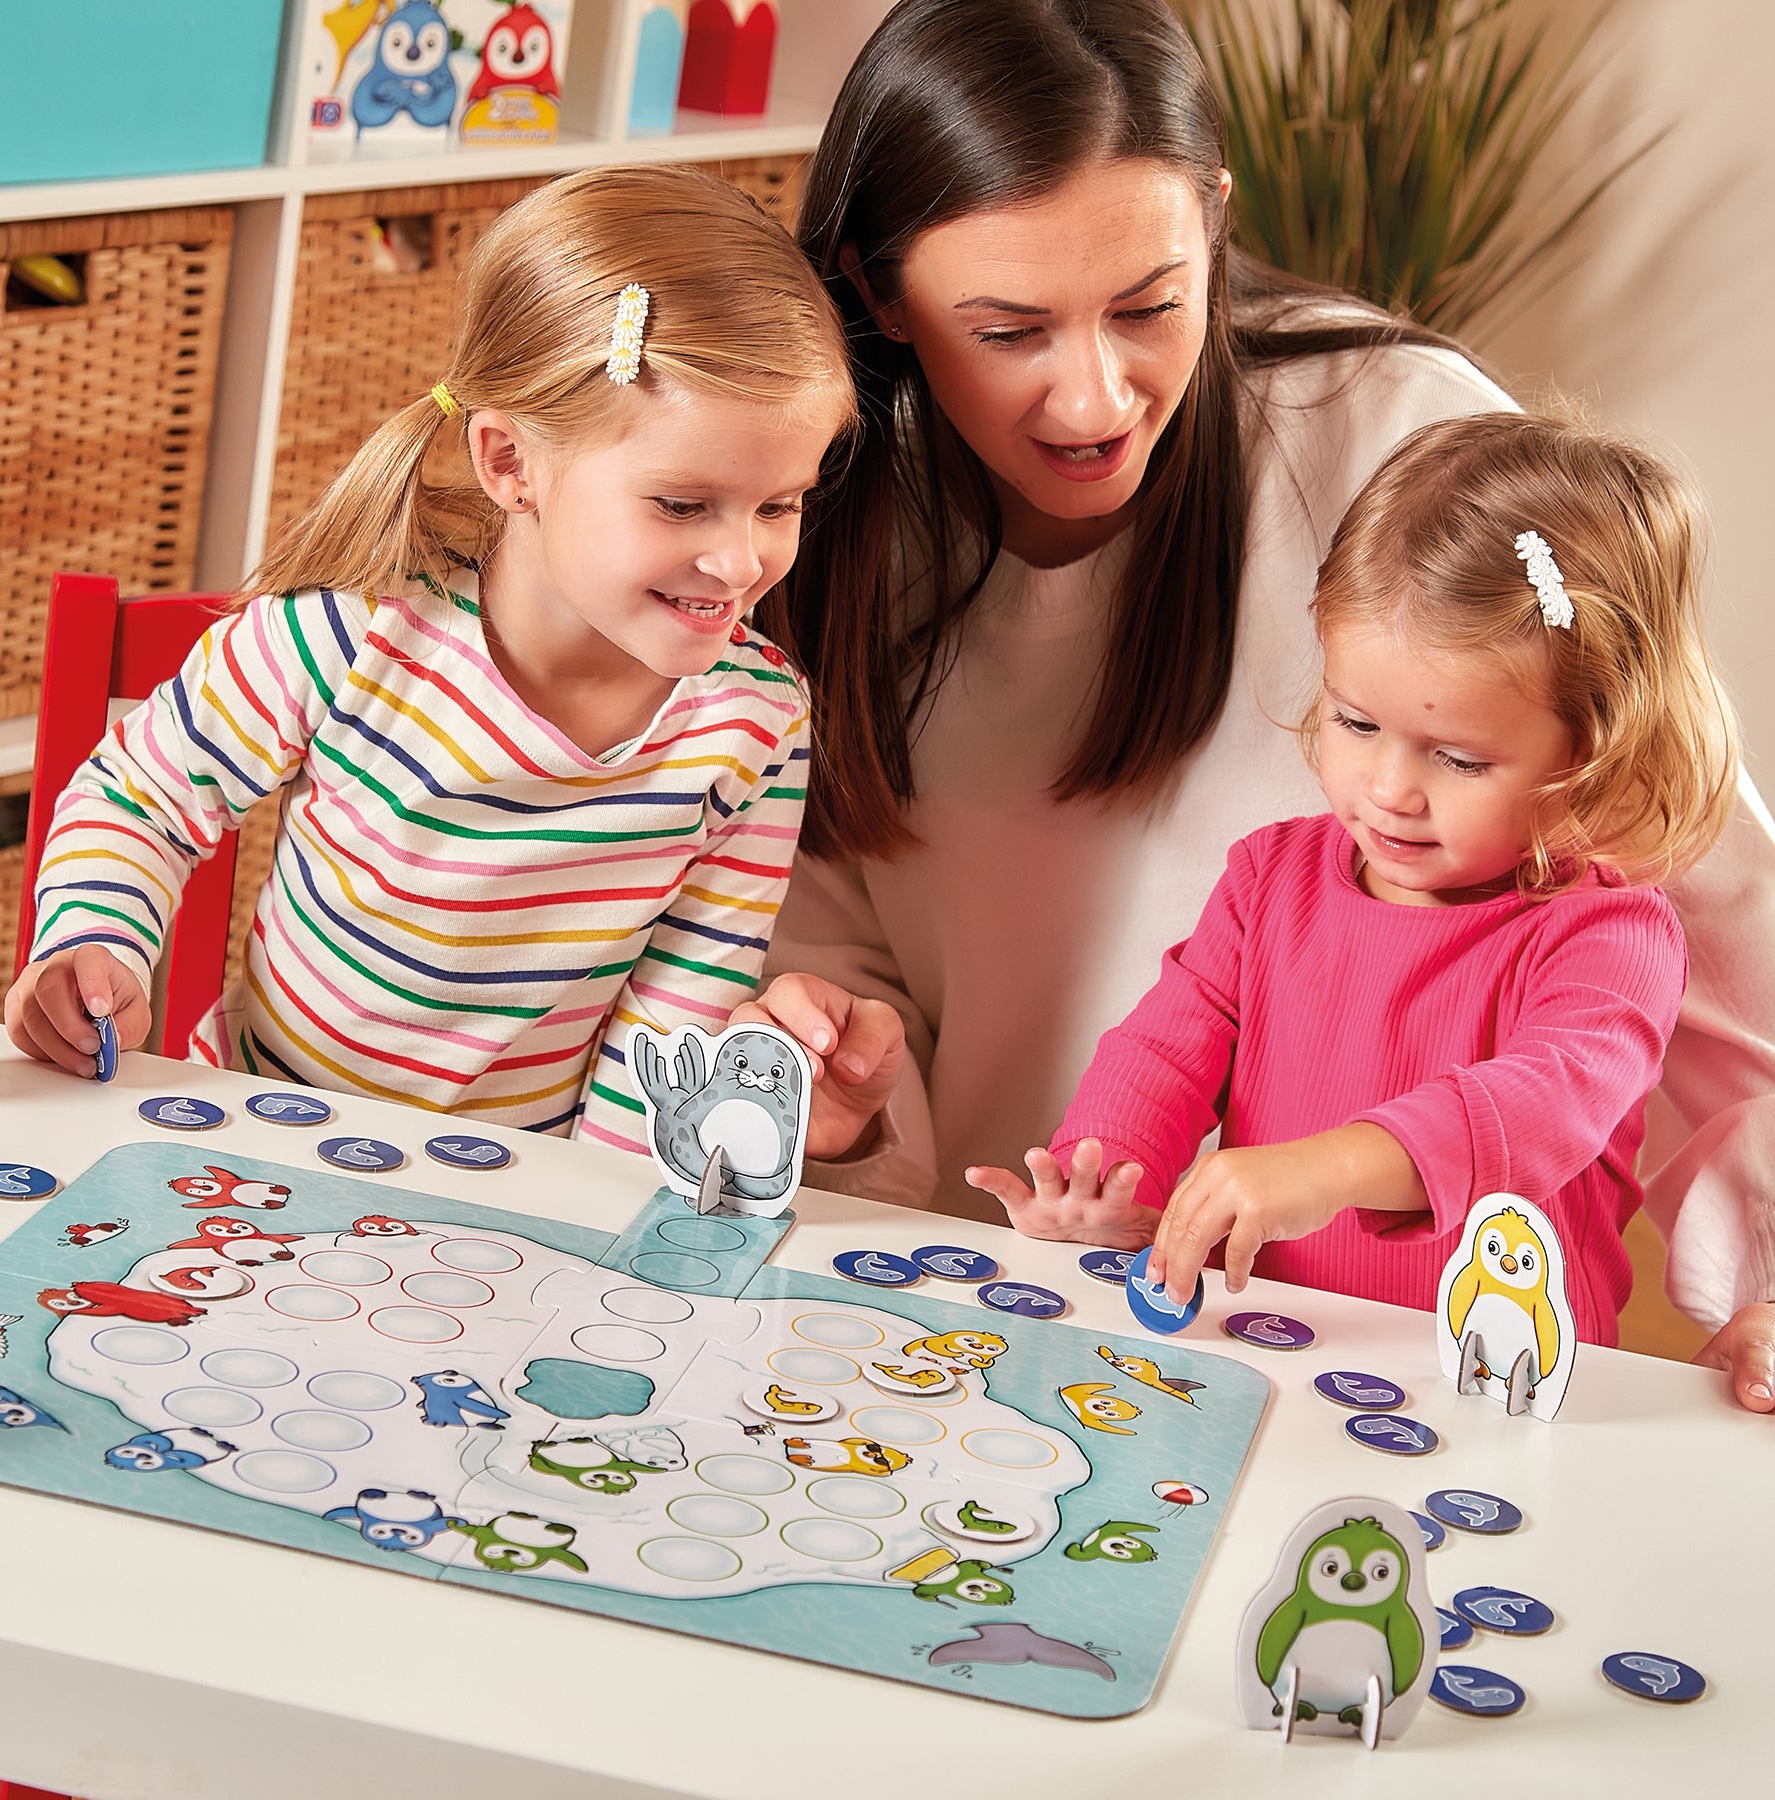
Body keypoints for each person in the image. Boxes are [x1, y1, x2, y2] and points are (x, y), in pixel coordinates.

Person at [735, 0, 1775, 1409]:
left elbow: (1724, 944)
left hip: (1409, 1355)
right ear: (875, 292)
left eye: (1150, 306)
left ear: (1215, 224)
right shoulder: (801, 517)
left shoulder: (1409, 447)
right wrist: (850, 1095)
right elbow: (881, 980)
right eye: (1009, 331)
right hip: (1043, 1305)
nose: (1094, 400)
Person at [7, 165, 856, 1146]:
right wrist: (93, 944)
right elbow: (140, 798)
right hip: (253, 1138)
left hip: (514, 1187)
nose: (741, 561)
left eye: (779, 505)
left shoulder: (759, 719)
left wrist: (594, 1210)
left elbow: (679, 1008)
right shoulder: (350, 633)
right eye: (681, 504)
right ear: (510, 463)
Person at [968, 412, 1736, 1348]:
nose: (1388, 790)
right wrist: (1105, 1179)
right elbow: (1162, 1055)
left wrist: (1327, 1170)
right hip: (1265, 1349)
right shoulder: (1268, 879)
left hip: (1486, 1385)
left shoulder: (1611, 936)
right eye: (1356, 723)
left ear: (1592, 748)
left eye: (1458, 758)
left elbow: (1543, 1104)